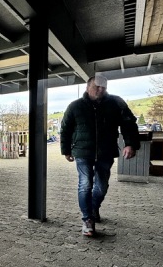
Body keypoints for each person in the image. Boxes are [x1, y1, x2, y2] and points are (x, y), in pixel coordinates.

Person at [60, 75, 140, 237]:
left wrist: (130, 144)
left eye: (103, 86)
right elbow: (66, 129)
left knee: (102, 186)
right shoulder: (75, 106)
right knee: (85, 184)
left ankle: (93, 207)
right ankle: (88, 219)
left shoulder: (116, 103)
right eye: (97, 86)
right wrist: (66, 150)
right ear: (88, 87)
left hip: (106, 151)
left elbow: (129, 124)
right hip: (83, 152)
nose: (100, 89)